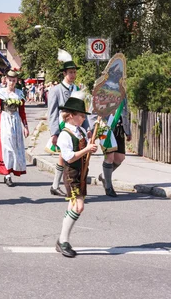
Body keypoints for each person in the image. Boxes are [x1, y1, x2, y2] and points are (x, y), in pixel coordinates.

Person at [55, 92, 97, 258]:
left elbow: (83, 150)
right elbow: (69, 156)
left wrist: (89, 143)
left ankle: (61, 240)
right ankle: (63, 240)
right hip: (71, 174)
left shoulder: (79, 130)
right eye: (80, 116)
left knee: (72, 207)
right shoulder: (65, 135)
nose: (83, 119)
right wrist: (86, 149)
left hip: (81, 173)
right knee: (79, 207)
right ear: (71, 116)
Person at [47, 50, 89, 196]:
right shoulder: (56, 90)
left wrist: (86, 127)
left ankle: (58, 185)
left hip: (75, 127)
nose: (73, 75)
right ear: (64, 73)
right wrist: (54, 132)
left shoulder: (77, 89)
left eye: (74, 72)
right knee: (64, 156)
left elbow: (82, 110)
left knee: (66, 157)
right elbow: (52, 113)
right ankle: (58, 185)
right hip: (62, 126)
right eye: (70, 72)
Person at [0, 70, 29, 187]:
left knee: (15, 147)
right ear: (6, 80)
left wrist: (25, 126)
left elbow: (22, 111)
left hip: (15, 120)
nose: (11, 82)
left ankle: (11, 169)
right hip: (5, 119)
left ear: (16, 81)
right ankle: (6, 174)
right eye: (10, 80)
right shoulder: (0, 93)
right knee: (7, 147)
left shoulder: (19, 93)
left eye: (14, 80)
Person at [98, 98, 132, 197]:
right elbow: (93, 111)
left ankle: (104, 176)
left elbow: (125, 112)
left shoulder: (122, 92)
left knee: (120, 158)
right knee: (110, 157)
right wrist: (91, 129)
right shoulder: (101, 89)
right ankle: (108, 187)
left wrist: (128, 131)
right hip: (106, 128)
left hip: (119, 128)